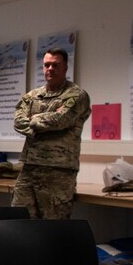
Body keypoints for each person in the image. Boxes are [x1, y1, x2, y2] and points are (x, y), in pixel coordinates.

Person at [12, 48, 91, 219]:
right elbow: (18, 121)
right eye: (47, 65)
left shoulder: (77, 95)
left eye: (55, 65)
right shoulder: (32, 96)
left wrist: (33, 120)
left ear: (65, 68)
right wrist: (42, 123)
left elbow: (60, 120)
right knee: (19, 220)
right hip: (29, 168)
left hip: (58, 172)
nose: (50, 69)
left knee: (54, 227)